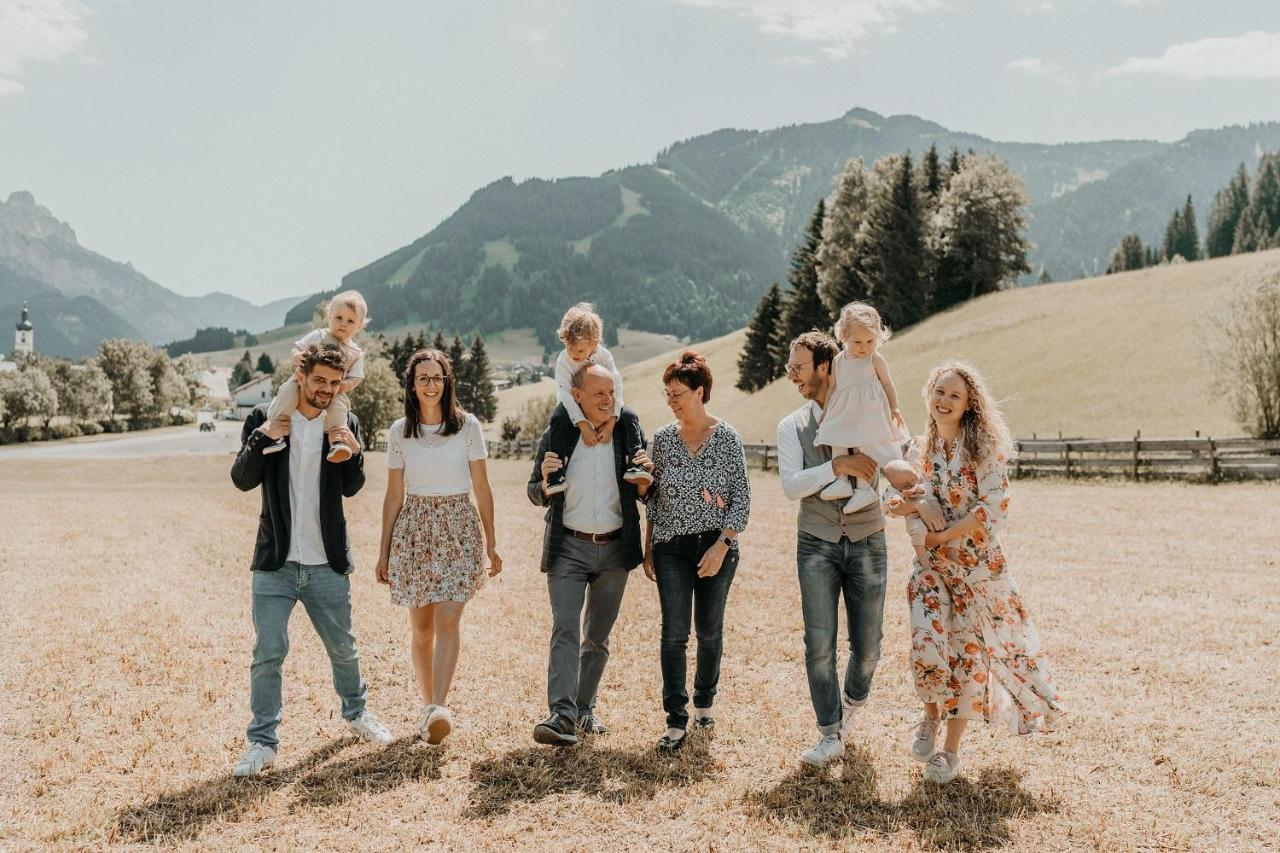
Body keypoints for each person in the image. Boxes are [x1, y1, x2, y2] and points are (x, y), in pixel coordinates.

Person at [885, 361, 1063, 785]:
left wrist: (941, 532)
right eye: (939, 392)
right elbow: (902, 501)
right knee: (927, 643)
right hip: (929, 567)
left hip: (977, 572)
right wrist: (907, 512)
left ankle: (949, 753)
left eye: (954, 395)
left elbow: (992, 509)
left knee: (968, 658)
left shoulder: (984, 450)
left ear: (968, 405)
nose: (944, 401)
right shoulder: (917, 450)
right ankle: (928, 716)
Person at [777, 331, 944, 769]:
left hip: (869, 539)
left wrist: (907, 494)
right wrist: (835, 465)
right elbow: (792, 486)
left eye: (798, 366)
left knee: (869, 646)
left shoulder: (867, 412)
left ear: (825, 367)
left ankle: (852, 703)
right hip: (816, 543)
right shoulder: (792, 426)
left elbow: (895, 458)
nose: (791, 374)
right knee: (818, 643)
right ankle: (829, 732)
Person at [229, 342, 391, 777]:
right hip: (275, 562)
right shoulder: (265, 418)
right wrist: (265, 436)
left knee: (343, 647)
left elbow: (351, 487)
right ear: (301, 376)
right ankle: (262, 743)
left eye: (334, 384)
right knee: (268, 652)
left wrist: (354, 452)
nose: (325, 390)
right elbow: (242, 478)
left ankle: (357, 714)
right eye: (319, 380)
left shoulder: (344, 421)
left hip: (326, 562)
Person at [374, 349, 502, 745]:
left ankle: (439, 706)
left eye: (438, 377)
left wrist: (491, 543)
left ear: (447, 382)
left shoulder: (467, 427)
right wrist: (384, 551)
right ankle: (429, 706)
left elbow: (482, 487)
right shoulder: (400, 432)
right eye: (423, 378)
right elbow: (394, 494)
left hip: (458, 526)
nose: (431, 384)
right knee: (422, 628)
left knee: (449, 620)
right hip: (415, 529)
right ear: (412, 385)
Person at [527, 363, 652, 746]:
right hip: (568, 547)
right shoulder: (559, 434)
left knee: (597, 636)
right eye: (598, 393)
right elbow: (534, 490)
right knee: (565, 628)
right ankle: (561, 715)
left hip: (615, 550)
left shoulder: (627, 433)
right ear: (576, 395)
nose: (607, 400)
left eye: (611, 393)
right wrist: (546, 485)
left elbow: (648, 492)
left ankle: (584, 711)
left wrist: (647, 482)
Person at [644, 351, 750, 752]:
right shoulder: (662, 440)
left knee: (708, 631)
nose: (671, 401)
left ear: (700, 392)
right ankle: (676, 719)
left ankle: (705, 702)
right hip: (670, 545)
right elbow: (653, 497)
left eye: (678, 394)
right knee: (673, 633)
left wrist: (722, 546)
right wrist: (649, 544)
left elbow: (740, 498)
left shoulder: (727, 438)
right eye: (667, 394)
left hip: (715, 545)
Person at [545, 302, 651, 495]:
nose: (573, 354)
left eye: (579, 351)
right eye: (569, 348)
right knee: (557, 420)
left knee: (629, 416)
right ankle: (555, 476)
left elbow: (616, 387)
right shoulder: (563, 361)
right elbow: (567, 397)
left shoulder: (604, 356)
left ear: (595, 344)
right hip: (571, 404)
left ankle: (637, 464)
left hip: (605, 403)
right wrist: (583, 425)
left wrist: (612, 421)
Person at [814, 302, 908, 514]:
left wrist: (895, 408)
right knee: (837, 436)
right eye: (857, 341)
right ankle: (843, 480)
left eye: (870, 341)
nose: (864, 346)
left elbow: (887, 383)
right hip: (845, 410)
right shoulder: (838, 361)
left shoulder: (875, 359)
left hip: (868, 412)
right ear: (844, 337)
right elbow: (832, 388)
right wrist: (826, 413)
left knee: (863, 445)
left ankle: (864, 489)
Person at [263, 290, 369, 463]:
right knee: (288, 394)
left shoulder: (356, 353)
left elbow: (357, 377)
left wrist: (345, 386)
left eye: (350, 321)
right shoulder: (319, 335)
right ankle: (276, 433)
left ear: (359, 326)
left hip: (335, 391)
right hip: (301, 381)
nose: (343, 324)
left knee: (338, 409)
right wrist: (297, 356)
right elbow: (296, 349)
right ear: (329, 315)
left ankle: (337, 442)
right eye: (338, 318)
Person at [883, 459, 932, 568]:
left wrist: (919, 489)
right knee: (918, 530)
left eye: (913, 476)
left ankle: (953, 550)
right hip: (913, 516)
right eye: (906, 484)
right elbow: (891, 498)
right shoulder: (894, 489)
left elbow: (928, 488)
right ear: (896, 486)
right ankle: (922, 556)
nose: (912, 482)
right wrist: (896, 500)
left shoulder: (919, 477)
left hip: (932, 510)